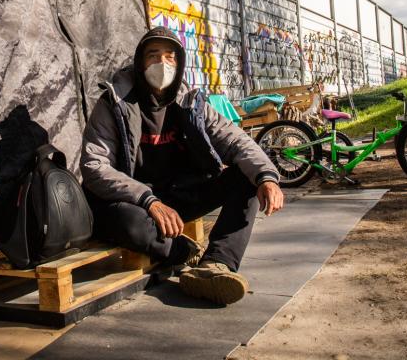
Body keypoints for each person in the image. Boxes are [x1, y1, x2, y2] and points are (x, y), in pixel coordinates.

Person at [80, 26, 284, 305]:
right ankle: (185, 253)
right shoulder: (115, 102)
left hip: (179, 194)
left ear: (179, 63)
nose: (161, 63)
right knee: (129, 225)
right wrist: (148, 200)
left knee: (247, 177)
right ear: (140, 62)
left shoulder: (191, 103)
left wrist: (266, 177)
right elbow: (95, 166)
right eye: (153, 55)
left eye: (170, 56)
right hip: (135, 203)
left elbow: (235, 140)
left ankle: (217, 264)